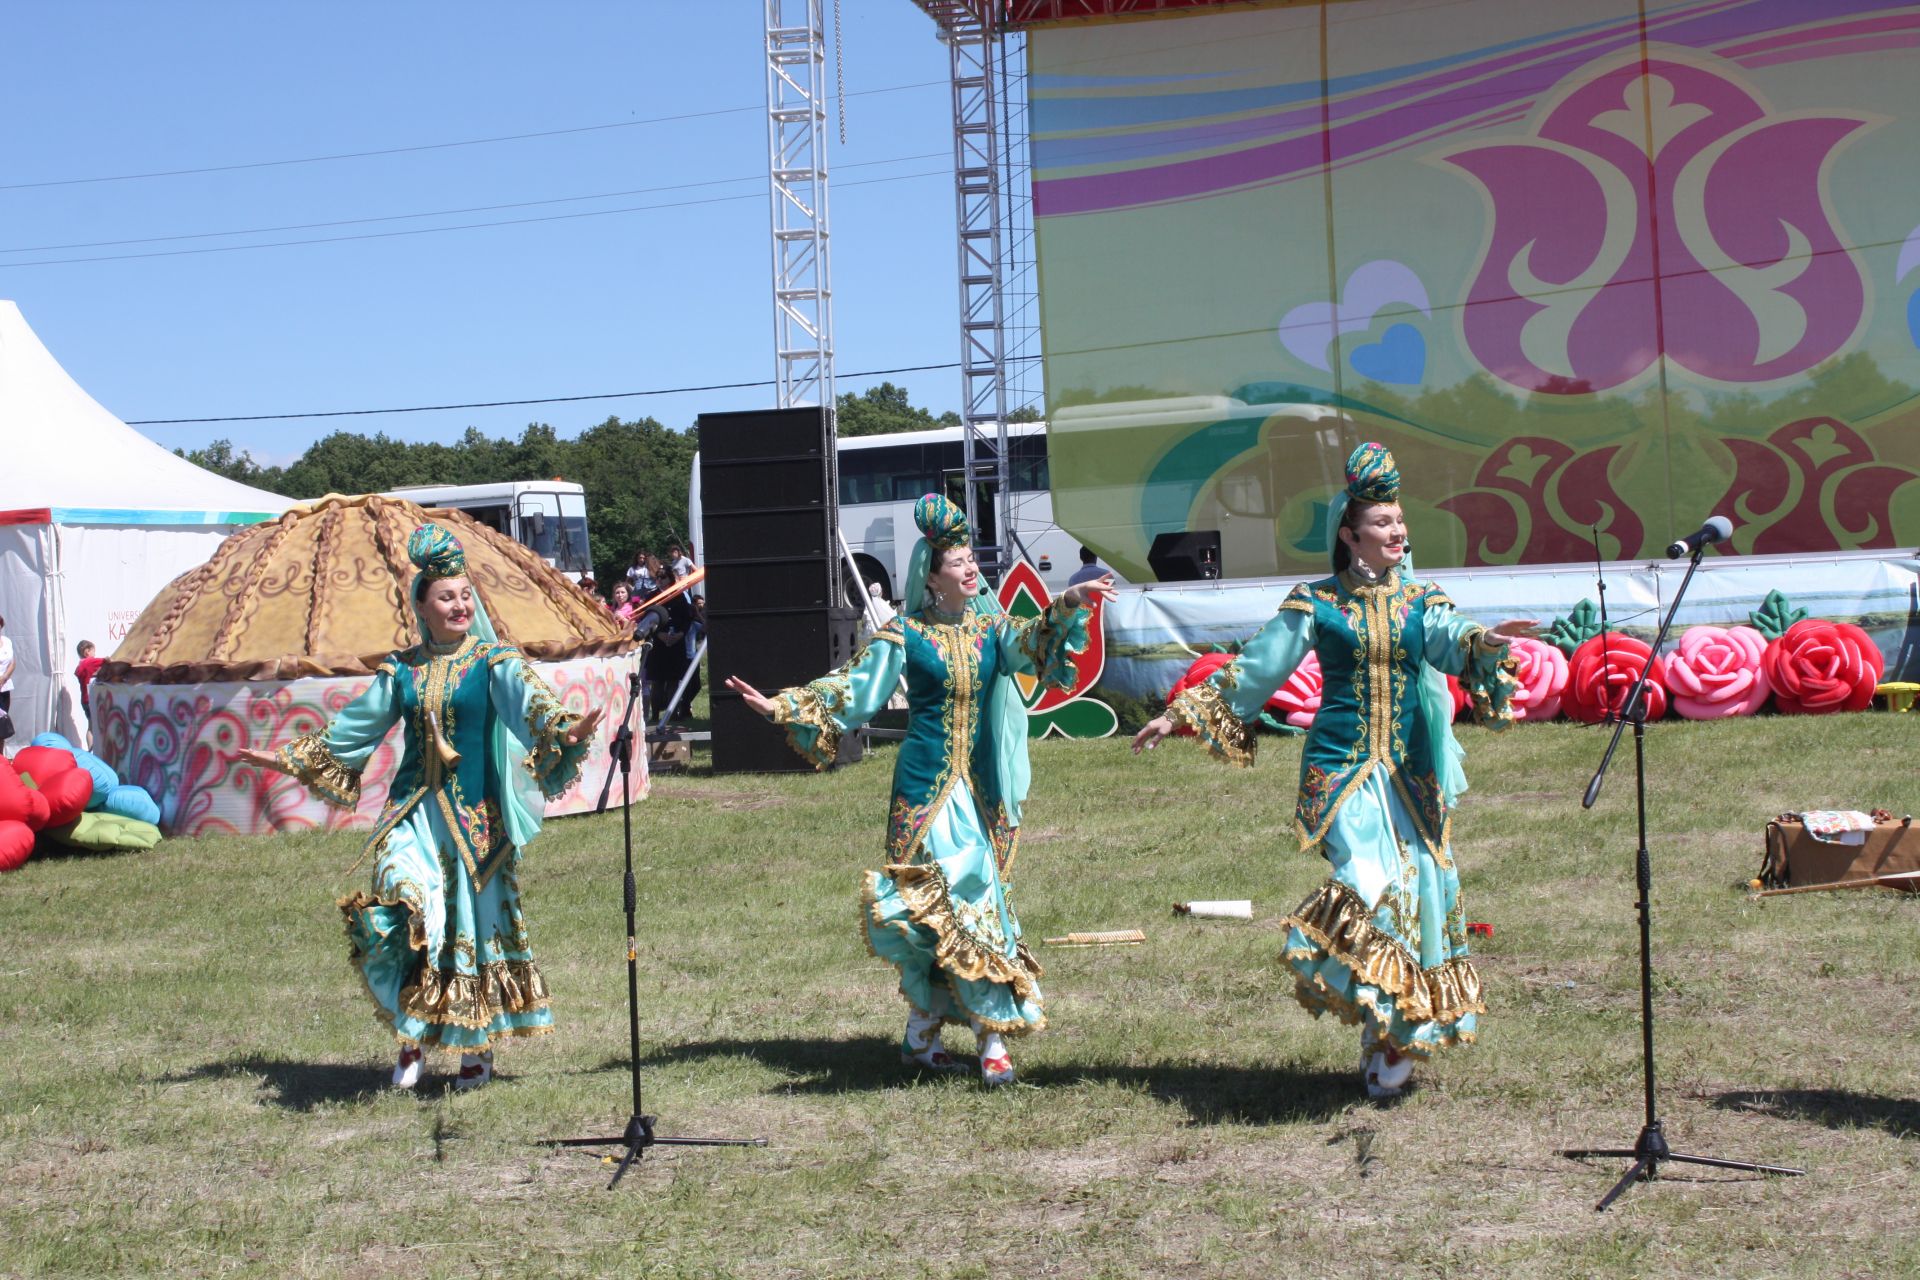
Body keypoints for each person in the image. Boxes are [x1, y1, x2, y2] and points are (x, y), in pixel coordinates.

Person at [1132, 443, 1530, 1100]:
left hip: (1410, 774)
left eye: (1400, 521)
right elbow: (1257, 667)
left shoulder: (1421, 599)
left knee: (1419, 889)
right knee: (1370, 885)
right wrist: (1179, 715)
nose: (1397, 532)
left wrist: (1483, 643)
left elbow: (1450, 637)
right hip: (1342, 770)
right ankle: (1389, 1029)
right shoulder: (1316, 602)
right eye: (1382, 523)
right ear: (1349, 536)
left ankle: (1390, 1035)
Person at [725, 494, 1115, 1085]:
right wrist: (783, 704)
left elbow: (1035, 640)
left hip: (979, 791)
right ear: (932, 578)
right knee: (941, 911)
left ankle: (928, 1038)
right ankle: (987, 1045)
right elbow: (854, 688)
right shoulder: (906, 635)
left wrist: (1068, 600)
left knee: (975, 902)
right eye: (957, 561)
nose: (970, 567)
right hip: (924, 795)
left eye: (969, 558)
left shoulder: (992, 631)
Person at [236, 524, 603, 1091]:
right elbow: (355, 727)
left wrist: (565, 729)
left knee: (469, 933)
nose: (459, 605)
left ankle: (474, 1053)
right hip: (412, 811)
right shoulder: (400, 669)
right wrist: (284, 756)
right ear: (422, 606)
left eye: (464, 596)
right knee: (402, 908)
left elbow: (532, 704)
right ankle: (411, 1037)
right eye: (446, 597)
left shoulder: (493, 661)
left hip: (477, 822)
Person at [75, 640, 106, 746]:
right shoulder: (89, 662)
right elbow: (107, 661)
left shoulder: (80, 666)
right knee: (99, 725)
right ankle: (97, 749)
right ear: (87, 652)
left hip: (84, 699)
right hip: (92, 698)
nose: (94, 654)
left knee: (91, 726)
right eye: (93, 651)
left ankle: (90, 749)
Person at [0, 614, 13, 750]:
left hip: (5, 687)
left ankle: (1, 757)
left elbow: (12, 662)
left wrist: (5, 677)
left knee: (2, 723)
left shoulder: (7, 641)